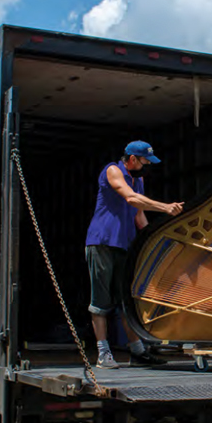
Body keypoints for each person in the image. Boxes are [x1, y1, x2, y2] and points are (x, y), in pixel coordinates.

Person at [86, 140, 184, 369]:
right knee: (100, 302)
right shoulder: (113, 171)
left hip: (124, 244)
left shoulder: (139, 180)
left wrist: (153, 243)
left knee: (126, 301)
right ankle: (103, 354)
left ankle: (137, 352)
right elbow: (130, 198)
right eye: (144, 161)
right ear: (132, 159)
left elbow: (139, 216)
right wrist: (165, 207)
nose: (146, 165)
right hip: (102, 242)